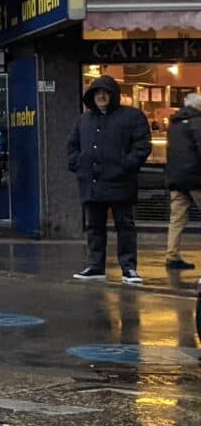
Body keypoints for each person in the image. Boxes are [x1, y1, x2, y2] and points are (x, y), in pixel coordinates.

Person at [67, 75, 152, 285]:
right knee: (94, 226)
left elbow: (142, 145)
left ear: (113, 95)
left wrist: (126, 164)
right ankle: (95, 265)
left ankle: (129, 268)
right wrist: (78, 163)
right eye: (97, 93)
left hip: (120, 181)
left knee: (125, 227)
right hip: (92, 182)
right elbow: (72, 146)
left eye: (105, 92)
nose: (101, 96)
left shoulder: (132, 116)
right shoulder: (83, 120)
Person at [165, 91, 201, 271]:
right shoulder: (198, 122)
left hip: (176, 178)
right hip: (196, 179)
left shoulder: (173, 124)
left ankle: (172, 256)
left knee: (176, 219)